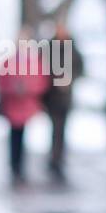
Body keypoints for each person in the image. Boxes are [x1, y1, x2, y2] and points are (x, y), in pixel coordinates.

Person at [0, 26, 48, 186]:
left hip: (26, 106)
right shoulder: (9, 61)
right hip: (13, 105)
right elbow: (1, 81)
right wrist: (13, 89)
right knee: (14, 136)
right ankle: (14, 165)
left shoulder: (34, 62)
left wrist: (27, 89)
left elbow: (41, 81)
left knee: (23, 137)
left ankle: (20, 166)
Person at [43, 17, 85, 182]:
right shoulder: (49, 47)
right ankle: (54, 158)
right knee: (54, 128)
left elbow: (81, 67)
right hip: (51, 96)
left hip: (66, 97)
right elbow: (42, 68)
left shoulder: (73, 47)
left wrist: (70, 79)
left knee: (62, 129)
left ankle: (59, 158)